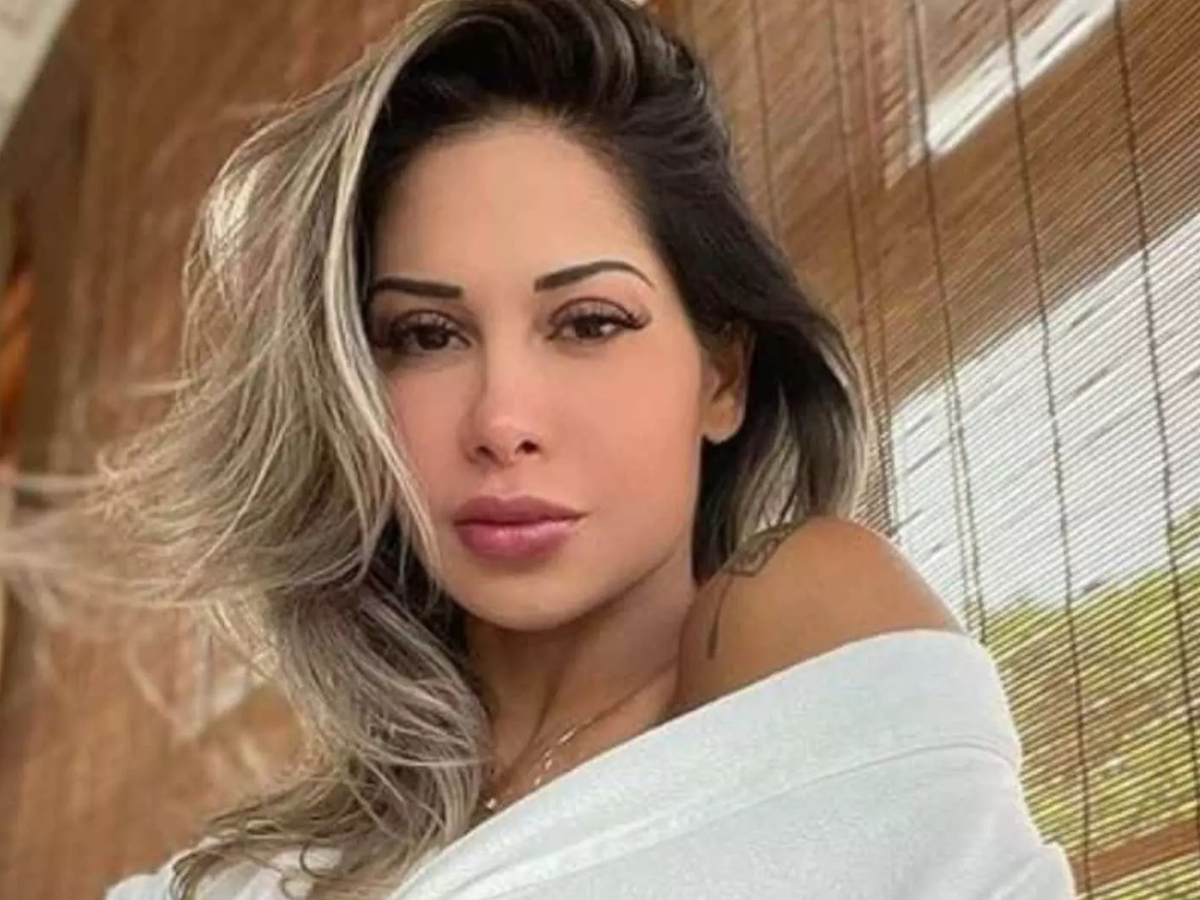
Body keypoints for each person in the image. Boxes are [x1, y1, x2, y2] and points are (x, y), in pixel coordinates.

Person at [0, 1, 1078, 898]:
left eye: (589, 323)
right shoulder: (249, 873)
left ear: (722, 375)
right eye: (427, 336)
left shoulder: (800, 611)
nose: (500, 419)